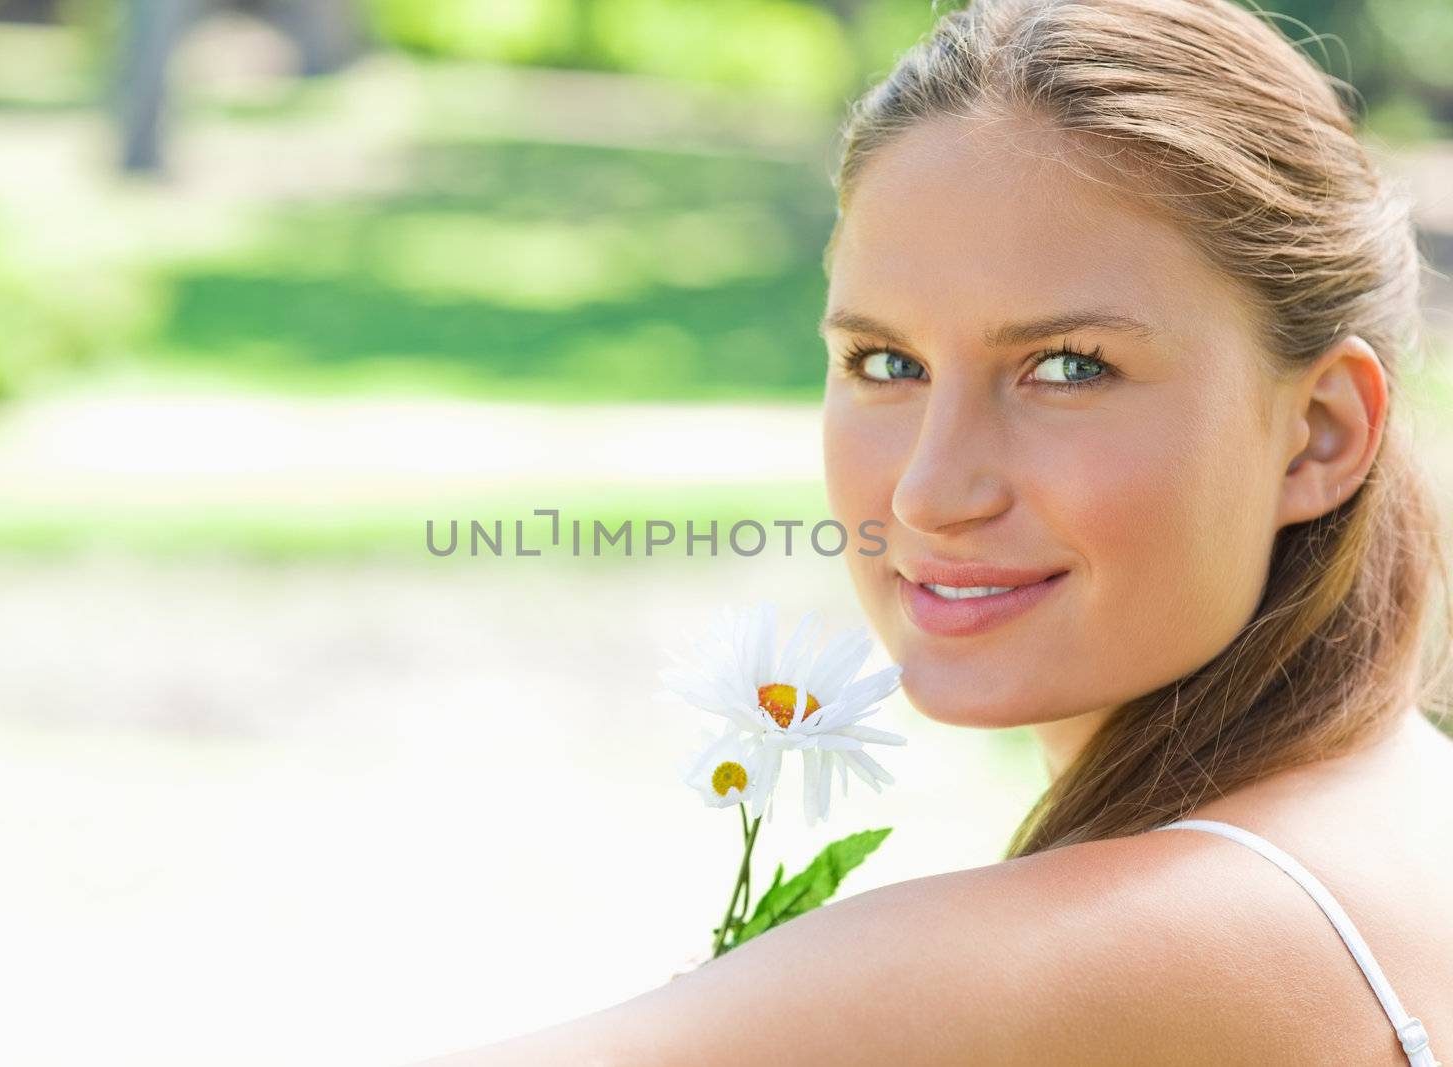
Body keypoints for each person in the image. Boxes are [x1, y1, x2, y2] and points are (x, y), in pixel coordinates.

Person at [408, 0, 1453, 1062]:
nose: (928, 491)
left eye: (1067, 367)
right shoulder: (1406, 818)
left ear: (1318, 432)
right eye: (884, 363)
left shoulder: (1102, 951)